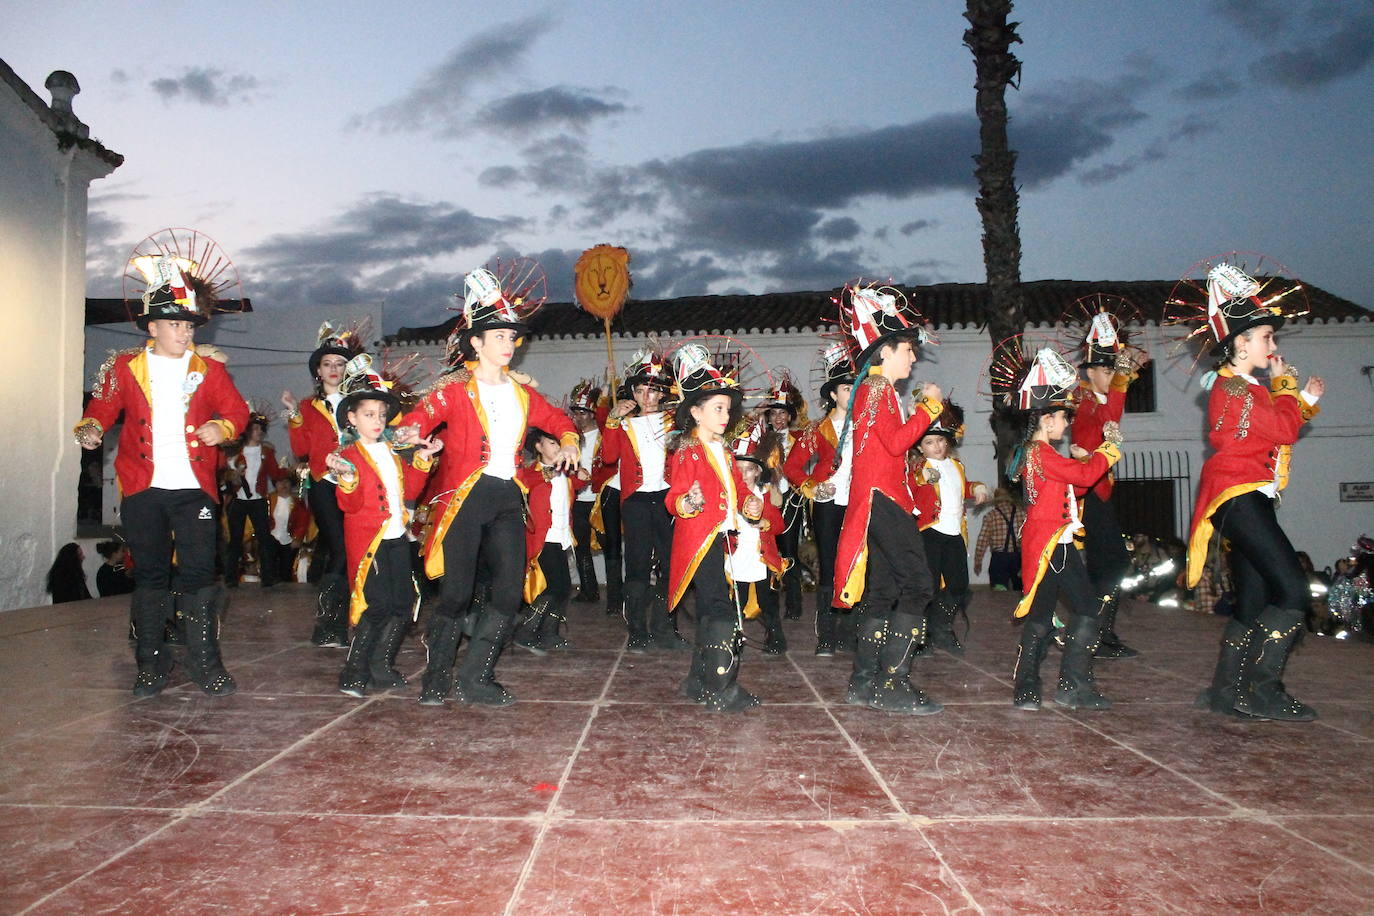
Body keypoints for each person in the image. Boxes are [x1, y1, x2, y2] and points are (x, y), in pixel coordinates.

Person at [397, 263, 578, 707]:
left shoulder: (522, 393)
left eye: (512, 337)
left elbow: (556, 419)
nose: (509, 344)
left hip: (505, 495)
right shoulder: (454, 389)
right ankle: (436, 676)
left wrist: (568, 440)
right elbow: (414, 422)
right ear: (475, 342)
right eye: (499, 336)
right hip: (464, 498)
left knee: (508, 588)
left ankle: (476, 676)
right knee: (456, 592)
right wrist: (411, 438)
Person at [75, 256, 248, 697]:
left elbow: (237, 413)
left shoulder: (209, 369)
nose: (185, 333)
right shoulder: (123, 368)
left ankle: (206, 663)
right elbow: (99, 409)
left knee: (197, 576)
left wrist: (221, 429)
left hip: (195, 491)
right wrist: (91, 429)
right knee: (150, 576)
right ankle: (150, 664)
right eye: (176, 325)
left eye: (190, 326)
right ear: (152, 327)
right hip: (143, 488)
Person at [1184, 263, 1323, 721]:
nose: (1273, 346)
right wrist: (1288, 388)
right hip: (1241, 498)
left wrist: (1302, 400)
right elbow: (1283, 428)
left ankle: (1226, 691)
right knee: (1294, 592)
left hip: (1244, 499)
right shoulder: (1241, 391)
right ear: (1240, 342)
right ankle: (1264, 690)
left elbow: (1275, 428)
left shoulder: (1241, 389)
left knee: (1254, 599)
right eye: (1267, 337)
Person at [832, 282, 945, 715]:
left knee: (882, 591)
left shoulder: (876, 391)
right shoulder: (877, 390)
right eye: (908, 350)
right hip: (883, 499)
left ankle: (864, 682)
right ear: (885, 351)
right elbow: (898, 444)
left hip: (877, 498)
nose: (913, 357)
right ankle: (891, 683)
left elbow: (887, 448)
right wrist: (930, 409)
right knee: (918, 584)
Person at [999, 345, 1123, 711]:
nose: (1067, 424)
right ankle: (1069, 685)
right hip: (1054, 543)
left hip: (1051, 542)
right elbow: (1083, 475)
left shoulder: (1036, 454)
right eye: (1062, 418)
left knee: (1051, 613)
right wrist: (1109, 450)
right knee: (1080, 609)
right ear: (1046, 420)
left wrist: (1093, 462)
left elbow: (1075, 486)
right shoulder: (1044, 453)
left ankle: (1032, 688)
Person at [326, 358, 440, 697]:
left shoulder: (392, 451)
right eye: (368, 414)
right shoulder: (350, 455)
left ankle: (380, 665)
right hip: (369, 543)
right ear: (351, 417)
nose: (376, 421)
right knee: (375, 607)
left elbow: (411, 493)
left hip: (395, 538)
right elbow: (348, 505)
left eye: (380, 414)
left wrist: (423, 458)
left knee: (403, 604)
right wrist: (346, 478)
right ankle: (353, 671)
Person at [665, 343, 766, 711]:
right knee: (720, 609)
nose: (725, 415)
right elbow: (674, 495)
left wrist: (750, 504)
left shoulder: (723, 451)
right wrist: (687, 502)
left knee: (711, 608)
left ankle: (698, 681)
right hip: (699, 540)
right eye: (717, 408)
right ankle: (721, 688)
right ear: (695, 412)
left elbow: (737, 489)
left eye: (727, 408)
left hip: (720, 537)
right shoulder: (688, 451)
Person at [1068, 305, 1151, 659]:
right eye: (1107, 370)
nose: (1113, 376)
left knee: (1109, 564)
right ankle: (1095, 635)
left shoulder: (1094, 398)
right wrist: (1123, 376)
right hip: (1090, 494)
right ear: (1091, 371)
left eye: (1112, 370)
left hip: (1100, 492)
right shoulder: (1084, 400)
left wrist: (1124, 372)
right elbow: (1110, 418)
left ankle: (1097, 633)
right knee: (1112, 563)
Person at [283, 322, 367, 647]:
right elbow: (301, 449)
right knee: (340, 547)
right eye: (327, 364)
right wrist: (293, 415)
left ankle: (340, 622)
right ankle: (329, 624)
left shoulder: (360, 402)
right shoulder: (307, 406)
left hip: (355, 483)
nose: (334, 369)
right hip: (323, 483)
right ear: (318, 370)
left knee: (353, 548)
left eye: (340, 363)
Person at [602, 348, 684, 651]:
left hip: (666, 498)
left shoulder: (674, 421)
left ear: (662, 393)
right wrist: (611, 420)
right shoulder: (622, 424)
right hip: (636, 500)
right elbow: (608, 458)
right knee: (636, 566)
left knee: (670, 564)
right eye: (640, 390)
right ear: (632, 393)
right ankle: (636, 630)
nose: (646, 396)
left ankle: (665, 629)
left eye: (652, 390)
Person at [784, 342, 856, 655]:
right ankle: (826, 636)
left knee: (856, 565)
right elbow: (791, 467)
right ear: (832, 394)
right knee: (828, 566)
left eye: (856, 387)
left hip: (860, 504)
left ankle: (852, 633)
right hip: (828, 505)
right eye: (845, 388)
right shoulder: (817, 430)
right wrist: (813, 487)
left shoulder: (868, 427)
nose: (851, 393)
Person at [908, 400, 989, 655]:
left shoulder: (956, 465)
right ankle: (919, 637)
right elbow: (909, 485)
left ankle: (940, 628)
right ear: (920, 447)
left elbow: (961, 486)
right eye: (930, 442)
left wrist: (976, 487)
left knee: (958, 585)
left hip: (954, 532)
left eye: (941, 441)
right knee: (927, 587)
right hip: (929, 532)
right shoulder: (918, 467)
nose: (937, 446)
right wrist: (922, 477)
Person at [515, 427, 589, 653]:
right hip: (543, 536)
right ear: (538, 447)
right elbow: (525, 482)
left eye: (559, 443)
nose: (558, 448)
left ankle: (548, 632)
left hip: (561, 534)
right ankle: (526, 631)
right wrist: (550, 473)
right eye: (552, 443)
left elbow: (576, 483)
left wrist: (581, 476)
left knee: (563, 587)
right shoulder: (531, 472)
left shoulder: (565, 472)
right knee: (555, 586)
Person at [731, 424, 790, 655]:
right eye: (739, 469)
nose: (744, 474)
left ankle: (775, 637)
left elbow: (779, 525)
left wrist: (765, 522)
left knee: (768, 601)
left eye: (749, 469)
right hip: (735, 559)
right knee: (736, 600)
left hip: (761, 558)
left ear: (757, 472)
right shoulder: (728, 496)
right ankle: (733, 640)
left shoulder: (766, 496)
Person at [759, 374, 806, 619]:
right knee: (768, 550)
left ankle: (794, 604)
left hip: (792, 500)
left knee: (789, 551)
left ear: (789, 416)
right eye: (773, 414)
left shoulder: (800, 440)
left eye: (782, 413)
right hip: (767, 500)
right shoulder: (760, 441)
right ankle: (769, 603)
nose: (778, 418)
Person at [221, 412, 285, 588]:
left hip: (257, 499)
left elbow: (276, 473)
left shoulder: (266, 451)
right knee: (235, 540)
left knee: (264, 538)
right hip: (239, 499)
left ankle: (267, 577)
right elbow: (224, 473)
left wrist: (293, 472)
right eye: (255, 429)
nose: (258, 432)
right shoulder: (235, 451)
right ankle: (230, 578)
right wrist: (232, 476)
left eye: (260, 429)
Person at [566, 380, 607, 604]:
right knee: (580, 546)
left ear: (592, 414)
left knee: (610, 547)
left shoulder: (602, 435)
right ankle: (589, 590)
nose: (578, 417)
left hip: (600, 499)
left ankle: (617, 595)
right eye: (576, 413)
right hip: (579, 499)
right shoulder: (570, 437)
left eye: (583, 412)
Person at [972, 489, 1024, 591]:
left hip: (999, 559)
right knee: (1019, 590)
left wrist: (978, 562)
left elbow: (982, 541)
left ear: (995, 500)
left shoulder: (991, 516)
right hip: (1018, 557)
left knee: (999, 591)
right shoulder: (1021, 513)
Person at [268, 476, 309, 584]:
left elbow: (303, 522)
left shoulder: (297, 503)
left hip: (289, 540)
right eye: (280, 482)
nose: (283, 485)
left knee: (286, 571)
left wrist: (297, 538)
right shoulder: (269, 500)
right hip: (272, 538)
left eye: (286, 482)